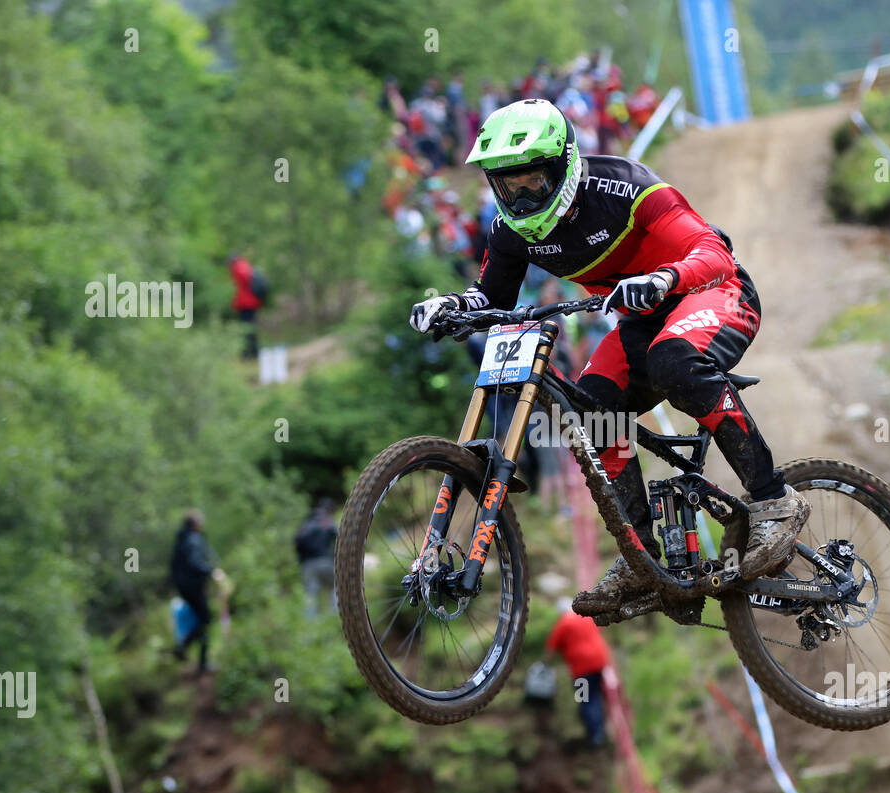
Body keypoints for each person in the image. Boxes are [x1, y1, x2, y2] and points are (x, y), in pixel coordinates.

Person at [409, 99, 810, 617]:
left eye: (532, 180)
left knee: (674, 359)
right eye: (508, 186)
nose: (522, 197)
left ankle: (774, 498)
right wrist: (453, 305)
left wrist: (663, 277)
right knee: (593, 407)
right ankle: (642, 561)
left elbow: (713, 254)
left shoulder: (625, 187)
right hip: (643, 320)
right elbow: (493, 297)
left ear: (563, 165)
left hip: (713, 291)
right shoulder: (510, 229)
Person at [545, 598, 611, 748]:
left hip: (582, 670)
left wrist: (545, 666)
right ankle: (598, 731)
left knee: (585, 700)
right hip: (599, 662)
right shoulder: (586, 618)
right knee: (595, 696)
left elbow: (550, 649)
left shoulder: (563, 624)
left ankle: (595, 736)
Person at [169, 509, 225, 674]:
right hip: (192, 586)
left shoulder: (183, 537)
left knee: (203, 619)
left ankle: (185, 649)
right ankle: (200, 662)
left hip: (185, 586)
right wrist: (211, 571)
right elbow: (194, 563)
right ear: (195, 523)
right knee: (206, 619)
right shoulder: (192, 539)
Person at [295, 498, 338, 617]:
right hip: (325, 561)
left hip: (307, 564)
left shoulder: (307, 521)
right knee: (336, 584)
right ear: (330, 509)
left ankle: (310, 622)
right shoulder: (328, 521)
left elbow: (297, 541)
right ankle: (335, 616)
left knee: (310, 593)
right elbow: (339, 538)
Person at [228, 254, 264, 359]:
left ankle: (249, 352)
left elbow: (241, 287)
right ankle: (252, 352)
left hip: (246, 304)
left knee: (247, 329)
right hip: (251, 303)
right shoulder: (245, 266)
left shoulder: (238, 268)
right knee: (250, 328)